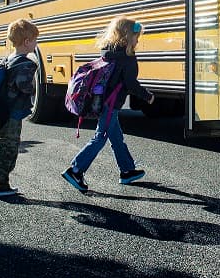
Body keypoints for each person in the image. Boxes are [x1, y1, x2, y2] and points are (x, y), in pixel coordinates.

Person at [62, 16, 153, 192]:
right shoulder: (127, 58)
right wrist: (147, 96)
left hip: (103, 102)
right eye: (136, 36)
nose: (138, 40)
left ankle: (127, 170)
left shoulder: (108, 52)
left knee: (116, 136)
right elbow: (131, 84)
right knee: (100, 136)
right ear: (127, 36)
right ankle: (75, 170)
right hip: (111, 105)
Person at [0, 19, 40, 197]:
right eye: (35, 40)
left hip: (1, 110)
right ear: (27, 42)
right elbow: (24, 86)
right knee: (10, 148)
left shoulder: (8, 59)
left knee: (5, 143)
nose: (36, 43)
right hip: (13, 112)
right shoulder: (26, 63)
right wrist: (33, 84)